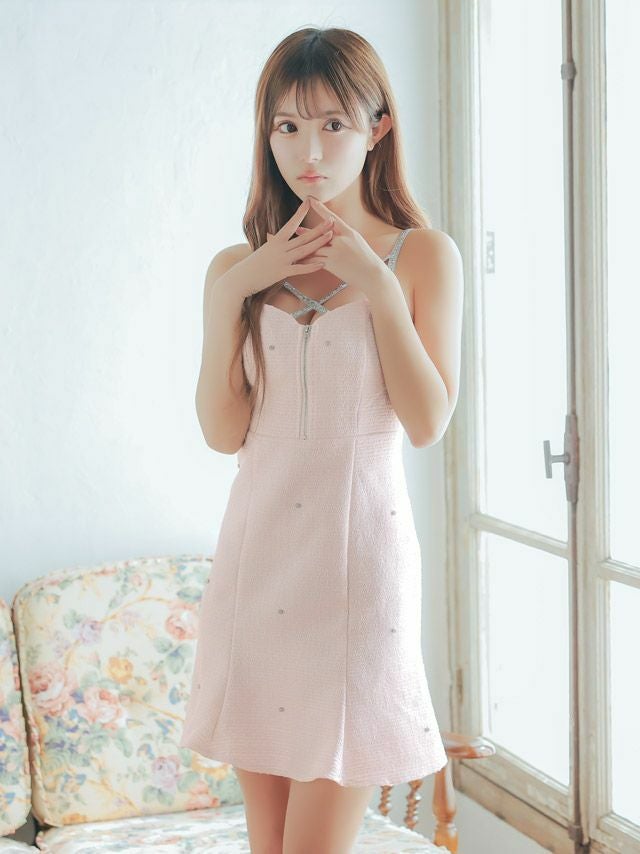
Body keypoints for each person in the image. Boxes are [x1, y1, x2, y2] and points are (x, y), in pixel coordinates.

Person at [179, 25, 464, 854]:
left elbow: (427, 422)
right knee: (266, 846)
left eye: (333, 124)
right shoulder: (236, 268)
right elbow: (223, 431)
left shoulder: (422, 257)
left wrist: (376, 285)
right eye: (288, 126)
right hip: (258, 562)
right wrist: (232, 294)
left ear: (377, 128)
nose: (308, 150)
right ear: (266, 133)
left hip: (358, 571)